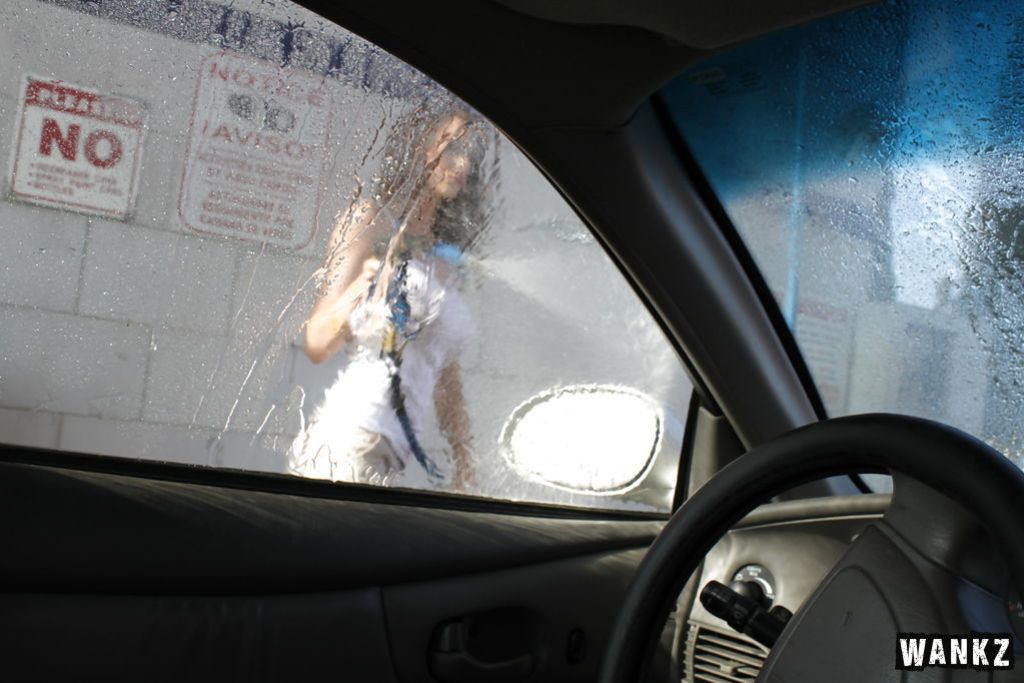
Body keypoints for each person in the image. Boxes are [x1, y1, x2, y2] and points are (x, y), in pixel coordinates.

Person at [288, 104, 492, 490]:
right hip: (351, 440)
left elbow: (445, 373)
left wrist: (464, 460)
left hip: (391, 455)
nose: (463, 163)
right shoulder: (371, 221)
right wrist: (365, 282)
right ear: (420, 148)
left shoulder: (442, 252)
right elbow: (316, 342)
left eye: (470, 153)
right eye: (452, 148)